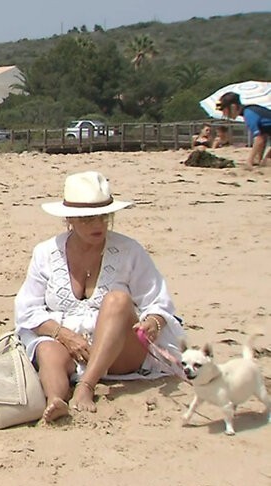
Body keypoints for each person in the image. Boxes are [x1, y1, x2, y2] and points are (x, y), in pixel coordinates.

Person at [14, 171, 184, 423]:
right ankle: (55, 400)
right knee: (48, 350)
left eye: (104, 217)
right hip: (69, 344)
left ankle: (86, 386)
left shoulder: (129, 251)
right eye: (88, 219)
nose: (98, 225)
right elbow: (26, 310)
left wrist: (152, 323)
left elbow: (158, 303)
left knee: (118, 300)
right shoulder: (45, 253)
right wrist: (64, 335)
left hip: (121, 350)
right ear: (69, 219)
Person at [217, 92, 271, 168]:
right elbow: (263, 136)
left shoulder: (249, 114)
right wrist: (258, 159)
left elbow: (259, 139)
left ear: (233, 107)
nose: (224, 114)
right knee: (265, 162)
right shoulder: (251, 110)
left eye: (224, 111)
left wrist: (249, 161)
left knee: (267, 163)